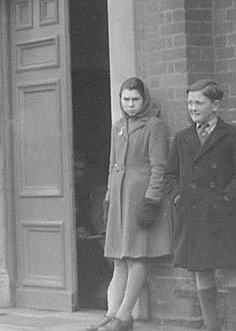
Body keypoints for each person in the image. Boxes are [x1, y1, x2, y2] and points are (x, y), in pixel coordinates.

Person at [164, 79, 236, 331]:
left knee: (232, 269)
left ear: (215, 105)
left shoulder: (234, 136)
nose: (192, 107)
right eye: (189, 102)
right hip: (193, 214)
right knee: (201, 270)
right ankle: (211, 325)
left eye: (198, 102)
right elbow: (170, 174)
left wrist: (226, 199)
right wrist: (177, 197)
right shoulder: (182, 138)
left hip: (223, 215)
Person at [87, 77, 171, 331]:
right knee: (118, 259)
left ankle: (125, 316)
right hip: (119, 199)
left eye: (135, 99)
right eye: (126, 99)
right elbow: (113, 164)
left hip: (139, 198)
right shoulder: (118, 127)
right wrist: (108, 198)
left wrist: (152, 199)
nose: (131, 104)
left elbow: (159, 167)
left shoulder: (154, 126)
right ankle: (111, 314)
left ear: (144, 100)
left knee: (136, 257)